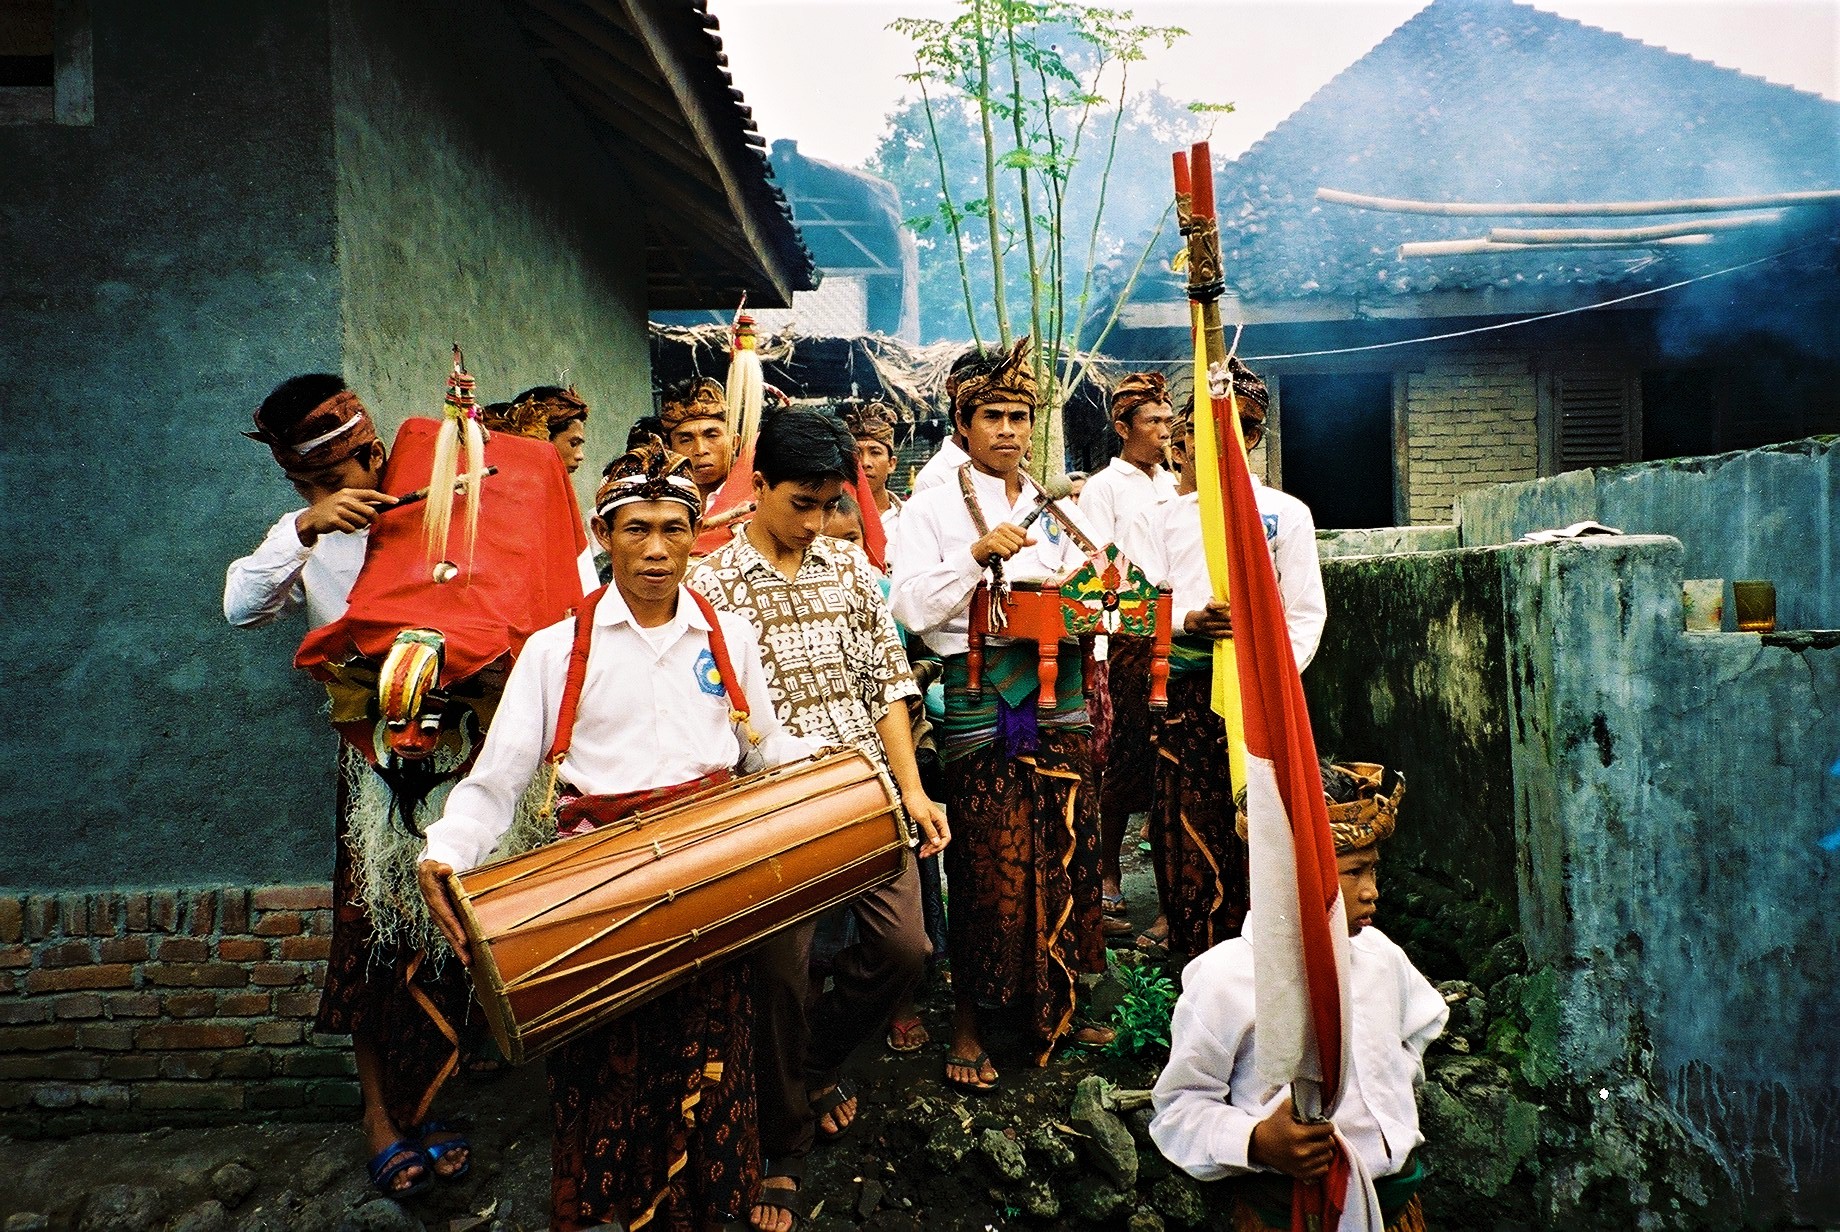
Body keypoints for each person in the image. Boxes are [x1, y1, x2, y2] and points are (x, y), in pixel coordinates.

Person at [417, 439, 815, 1232]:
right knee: (611, 1057)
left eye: (675, 528)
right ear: (605, 536)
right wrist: (444, 852)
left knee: (712, 1045)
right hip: (600, 881)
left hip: (711, 868)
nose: (658, 549)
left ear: (696, 535)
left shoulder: (728, 638)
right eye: (637, 530)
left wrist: (846, 779)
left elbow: (768, 747)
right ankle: (617, 1211)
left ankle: (711, 1207)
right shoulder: (554, 650)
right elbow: (496, 783)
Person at [687, 409, 949, 1232]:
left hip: (864, 793)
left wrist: (911, 790)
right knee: (780, 973)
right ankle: (786, 1141)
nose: (816, 522)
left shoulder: (848, 571)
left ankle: (804, 1068)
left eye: (831, 504)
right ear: (756, 487)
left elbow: (888, 687)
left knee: (906, 948)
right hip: (769, 807)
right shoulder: (711, 588)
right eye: (800, 503)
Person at [225, 374, 473, 1199]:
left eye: (340, 480)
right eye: (310, 489)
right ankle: (378, 1116)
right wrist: (303, 528)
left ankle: (437, 1103)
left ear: (376, 451)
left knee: (444, 939)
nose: (339, 497)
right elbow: (239, 608)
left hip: (450, 758)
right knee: (371, 945)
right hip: (367, 760)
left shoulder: (436, 508)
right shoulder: (302, 532)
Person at [890, 337, 1114, 1092]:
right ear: (963, 422)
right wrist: (975, 554)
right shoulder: (928, 507)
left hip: (1060, 696)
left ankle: (1060, 1000)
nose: (1010, 430)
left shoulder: (1053, 509)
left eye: (1020, 416)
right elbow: (913, 609)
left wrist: (1094, 606)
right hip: (984, 695)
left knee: (1066, 839)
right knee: (990, 859)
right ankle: (971, 1018)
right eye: (993, 415)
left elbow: (1110, 591)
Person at [1148, 761, 1446, 1232]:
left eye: (1373, 869)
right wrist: (1259, 1139)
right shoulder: (1227, 979)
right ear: (1293, 875)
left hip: (1395, 1212)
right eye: (1354, 872)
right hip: (1290, 1217)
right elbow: (1178, 1109)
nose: (1373, 892)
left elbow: (1422, 1025)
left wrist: (1386, 1085)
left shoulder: (1380, 956)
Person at [1121, 362, 1326, 962]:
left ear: (1257, 436)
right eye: (1214, 426)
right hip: (1185, 699)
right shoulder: (1155, 519)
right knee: (1186, 830)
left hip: (1264, 699)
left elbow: (1304, 613)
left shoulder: (1287, 515)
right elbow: (1132, 607)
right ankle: (1201, 968)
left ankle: (1275, 969)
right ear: (1186, 434)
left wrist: (1272, 678)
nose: (1231, 437)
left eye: (1246, 426)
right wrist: (1189, 620)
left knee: (1263, 827)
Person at [1075, 372, 1180, 934]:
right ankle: (1109, 871)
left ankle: (1170, 883)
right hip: (1121, 633)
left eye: (1168, 421)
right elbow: (1097, 564)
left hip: (1173, 628)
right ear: (1122, 428)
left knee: (1165, 756)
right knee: (1119, 753)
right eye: (1153, 422)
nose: (1165, 432)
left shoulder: (1175, 484)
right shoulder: (1103, 488)